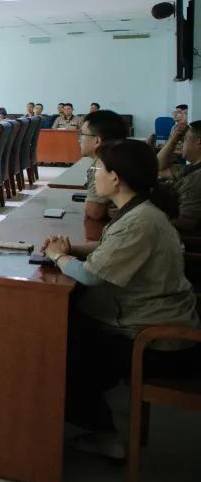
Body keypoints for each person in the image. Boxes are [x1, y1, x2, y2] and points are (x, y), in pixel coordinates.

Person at [40, 139, 198, 458]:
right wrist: (73, 249)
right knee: (64, 327)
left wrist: (58, 256)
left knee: (58, 352)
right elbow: (109, 249)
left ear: (116, 178)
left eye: (98, 169)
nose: (94, 174)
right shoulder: (139, 210)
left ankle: (104, 436)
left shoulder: (141, 221)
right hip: (147, 323)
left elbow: (90, 275)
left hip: (157, 341)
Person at [79, 111, 128, 241]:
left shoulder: (102, 164)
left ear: (97, 140)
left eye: (81, 134)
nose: (78, 139)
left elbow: (94, 211)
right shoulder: (124, 155)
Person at [158, 119, 201, 231]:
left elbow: (185, 223)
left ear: (199, 142)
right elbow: (159, 167)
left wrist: (151, 221)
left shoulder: (197, 179)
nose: (181, 143)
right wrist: (174, 138)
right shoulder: (191, 168)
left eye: (185, 139)